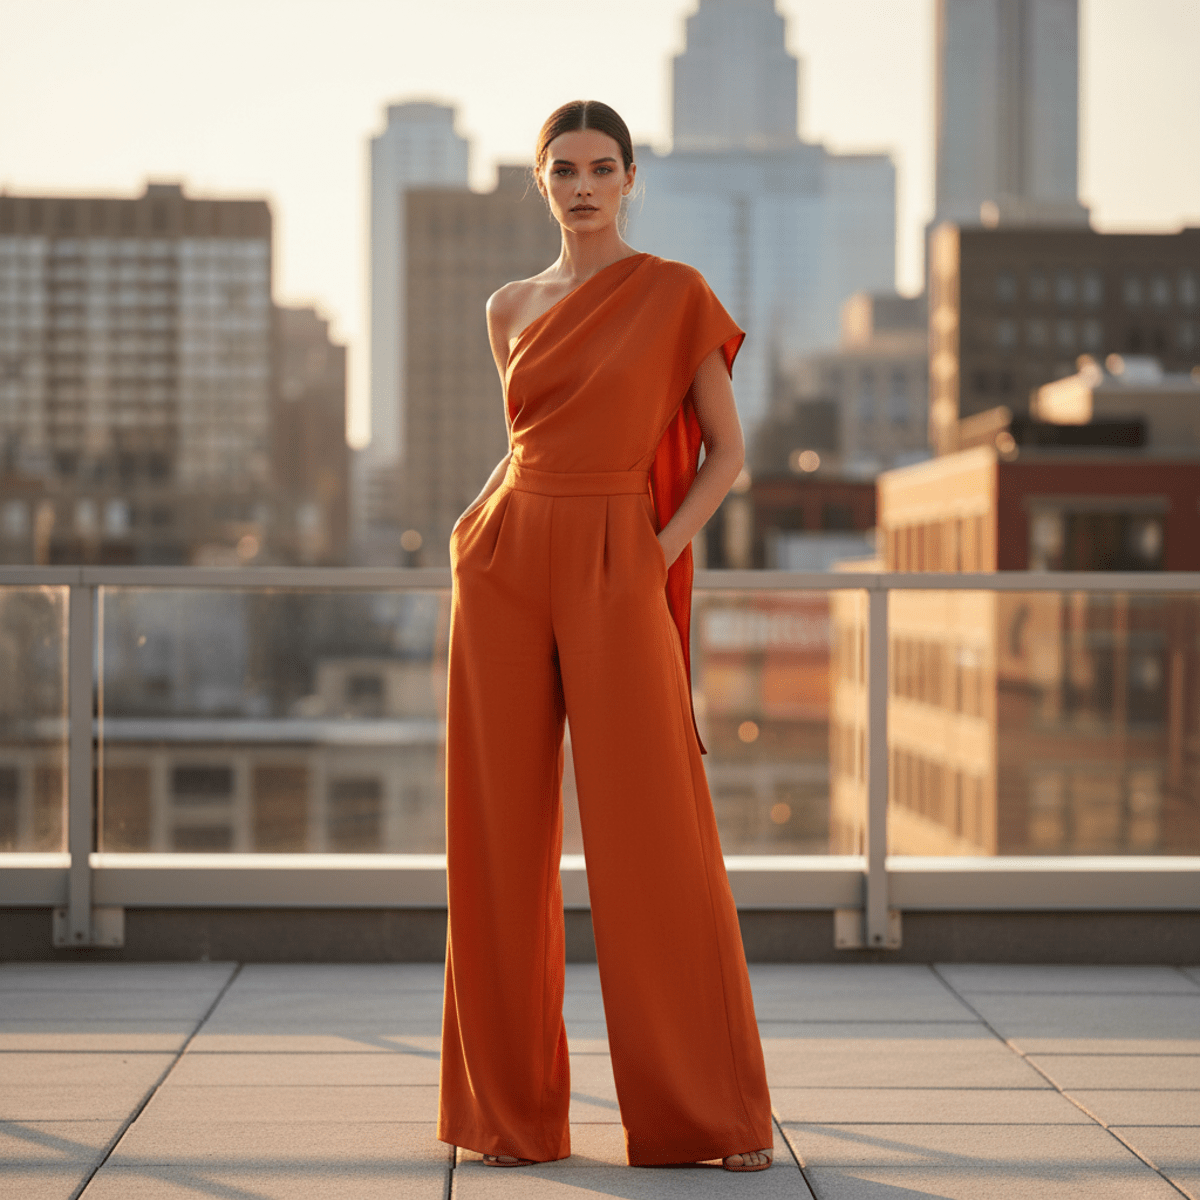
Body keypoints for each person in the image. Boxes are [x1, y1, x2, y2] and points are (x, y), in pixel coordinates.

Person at [437, 99, 773, 1172]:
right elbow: (527, 439)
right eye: (564, 168)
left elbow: (726, 453)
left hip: (618, 558)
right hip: (503, 562)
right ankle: (509, 1119)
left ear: (631, 179)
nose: (583, 184)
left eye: (602, 167)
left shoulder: (673, 295)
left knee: (655, 835)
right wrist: (472, 529)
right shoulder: (507, 306)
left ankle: (700, 1119)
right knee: (495, 836)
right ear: (541, 182)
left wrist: (657, 550)